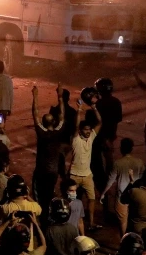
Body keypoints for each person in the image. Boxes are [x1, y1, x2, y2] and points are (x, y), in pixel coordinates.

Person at [69, 97, 103, 232]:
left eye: (89, 129)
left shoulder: (91, 137)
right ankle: (72, 223)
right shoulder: (75, 139)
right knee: (72, 200)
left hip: (87, 175)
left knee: (92, 199)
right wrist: (79, 110)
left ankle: (91, 222)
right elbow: (76, 126)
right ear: (80, 130)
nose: (88, 131)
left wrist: (94, 108)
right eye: (86, 129)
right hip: (74, 175)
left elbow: (100, 122)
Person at [100, 138, 145, 236]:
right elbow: (143, 178)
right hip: (136, 195)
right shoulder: (139, 162)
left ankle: (123, 239)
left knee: (123, 221)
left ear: (121, 149)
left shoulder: (118, 163)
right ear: (132, 149)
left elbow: (111, 180)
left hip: (121, 196)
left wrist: (103, 193)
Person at [32, 84, 65, 214]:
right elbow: (62, 115)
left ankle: (41, 214)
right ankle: (49, 213)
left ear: (43, 122)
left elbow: (35, 114)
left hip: (41, 171)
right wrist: (60, 96)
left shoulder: (41, 133)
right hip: (53, 171)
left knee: (38, 195)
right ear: (54, 122)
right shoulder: (58, 131)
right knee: (49, 193)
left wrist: (35, 96)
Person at [93, 78, 123, 179]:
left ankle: (102, 177)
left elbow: (96, 120)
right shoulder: (116, 101)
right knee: (109, 156)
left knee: (97, 156)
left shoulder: (99, 104)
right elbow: (118, 119)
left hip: (101, 134)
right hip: (111, 133)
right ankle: (109, 176)